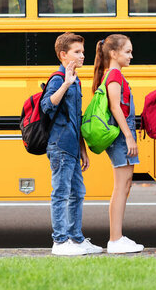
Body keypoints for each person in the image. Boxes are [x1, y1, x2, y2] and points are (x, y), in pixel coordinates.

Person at [40, 32, 102, 256]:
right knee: (61, 193)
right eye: (77, 52)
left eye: (83, 52)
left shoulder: (76, 79)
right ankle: (59, 241)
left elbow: (77, 116)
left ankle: (76, 239)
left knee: (78, 192)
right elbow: (47, 106)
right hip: (60, 146)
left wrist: (83, 149)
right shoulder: (59, 79)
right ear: (63, 55)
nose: (82, 56)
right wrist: (66, 83)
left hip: (72, 147)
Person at [92, 34, 144, 254]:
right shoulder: (113, 76)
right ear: (113, 54)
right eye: (127, 52)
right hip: (122, 137)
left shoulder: (115, 75)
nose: (131, 56)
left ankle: (118, 237)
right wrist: (129, 137)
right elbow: (115, 108)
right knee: (121, 187)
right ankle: (115, 239)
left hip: (124, 135)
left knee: (125, 185)